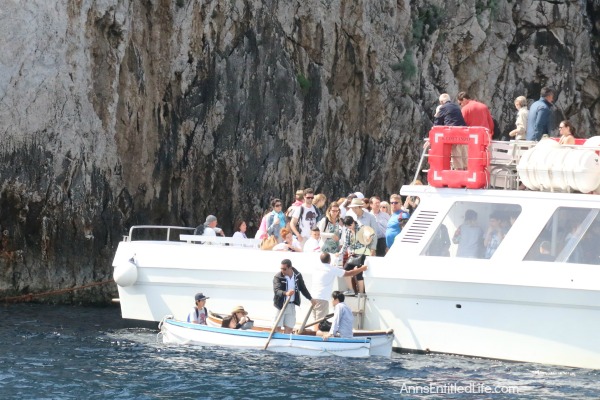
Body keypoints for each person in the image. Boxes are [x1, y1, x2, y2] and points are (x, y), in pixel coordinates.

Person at [311, 253, 367, 324]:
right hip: (322, 298)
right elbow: (349, 273)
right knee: (320, 323)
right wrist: (362, 268)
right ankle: (318, 334)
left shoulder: (316, 268)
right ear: (330, 260)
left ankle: (315, 333)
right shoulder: (331, 269)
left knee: (315, 321)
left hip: (312, 297)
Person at [273, 259, 317, 334]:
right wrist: (286, 293)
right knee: (277, 328)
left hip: (291, 305)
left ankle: (285, 343)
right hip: (280, 305)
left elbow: (303, 288)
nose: (282, 271)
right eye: (281, 269)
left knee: (289, 328)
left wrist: (310, 298)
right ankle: (278, 342)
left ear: (290, 268)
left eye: (284, 269)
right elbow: (276, 290)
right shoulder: (278, 276)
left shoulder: (297, 275)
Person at [338, 216, 374, 294]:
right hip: (353, 254)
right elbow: (346, 243)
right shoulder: (348, 230)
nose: (349, 227)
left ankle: (361, 293)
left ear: (353, 222)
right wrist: (341, 252)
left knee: (359, 274)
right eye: (347, 226)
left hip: (362, 253)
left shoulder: (361, 228)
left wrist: (368, 238)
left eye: (350, 225)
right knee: (345, 270)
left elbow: (371, 234)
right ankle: (351, 290)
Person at [434, 93, 468, 169]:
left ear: (442, 102)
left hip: (454, 134)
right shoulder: (456, 107)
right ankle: (466, 171)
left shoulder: (443, 108)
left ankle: (459, 174)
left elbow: (437, 124)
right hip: (464, 133)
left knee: (456, 156)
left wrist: (430, 138)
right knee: (464, 155)